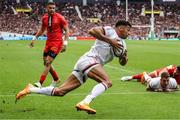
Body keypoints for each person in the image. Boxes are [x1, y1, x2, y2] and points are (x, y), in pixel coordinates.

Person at [16, 20, 131, 114]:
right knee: (107, 82)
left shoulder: (123, 44)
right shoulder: (111, 31)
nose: (129, 33)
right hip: (90, 60)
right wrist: (109, 40)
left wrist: (124, 58)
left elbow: (122, 63)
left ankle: (30, 89)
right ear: (120, 28)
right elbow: (91, 30)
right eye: (128, 30)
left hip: (89, 64)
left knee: (60, 92)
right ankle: (85, 102)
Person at [29, 2, 69, 87]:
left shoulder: (60, 17)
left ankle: (40, 82)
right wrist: (34, 38)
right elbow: (42, 30)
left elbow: (67, 30)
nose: (52, 10)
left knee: (48, 62)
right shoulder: (44, 18)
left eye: (54, 8)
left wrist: (65, 44)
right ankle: (56, 79)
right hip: (48, 42)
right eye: (50, 8)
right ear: (46, 8)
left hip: (57, 43)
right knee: (45, 62)